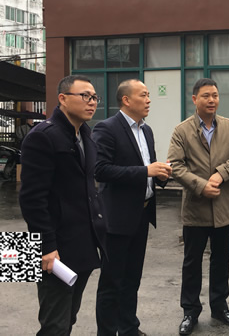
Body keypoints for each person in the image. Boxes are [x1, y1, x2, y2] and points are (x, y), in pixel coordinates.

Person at [19, 75, 106, 335]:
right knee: (55, 324)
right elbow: (32, 198)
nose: (92, 102)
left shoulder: (86, 136)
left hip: (83, 244)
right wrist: (46, 246)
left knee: (69, 317)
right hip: (56, 249)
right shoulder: (43, 137)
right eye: (85, 96)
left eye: (95, 97)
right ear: (63, 99)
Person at [167, 78, 229, 335]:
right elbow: (175, 165)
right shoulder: (182, 130)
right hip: (196, 208)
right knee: (192, 262)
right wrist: (201, 185)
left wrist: (221, 174)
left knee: (221, 260)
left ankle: (220, 306)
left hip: (224, 207)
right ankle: (190, 311)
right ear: (195, 99)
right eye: (206, 95)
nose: (212, 100)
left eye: (215, 95)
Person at [93, 79, 172, 336]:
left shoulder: (146, 130)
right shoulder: (107, 128)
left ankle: (128, 328)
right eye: (143, 95)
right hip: (117, 217)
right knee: (112, 282)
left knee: (132, 279)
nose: (149, 100)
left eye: (149, 95)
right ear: (126, 100)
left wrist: (160, 175)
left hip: (141, 214)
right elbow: (100, 170)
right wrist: (145, 171)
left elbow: (147, 167)